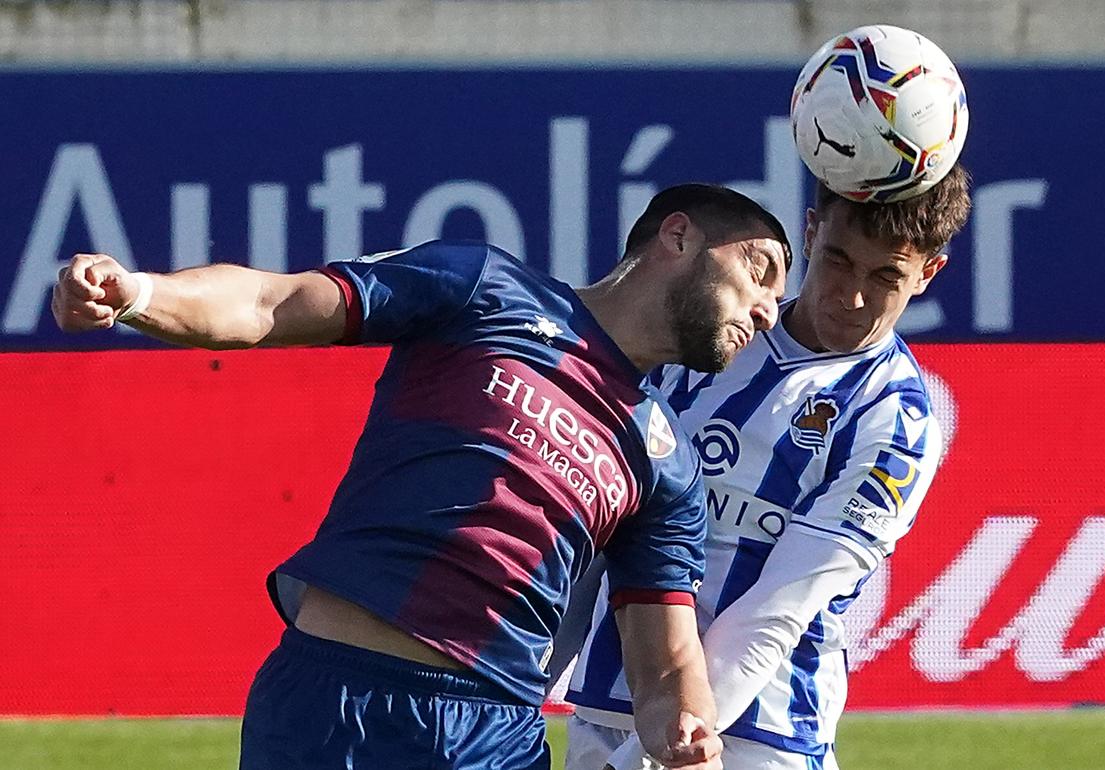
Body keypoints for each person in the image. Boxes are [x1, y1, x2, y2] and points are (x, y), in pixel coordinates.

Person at [51, 183, 790, 770]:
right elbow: (269, 302)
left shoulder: (668, 465)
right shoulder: (486, 287)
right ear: (679, 234)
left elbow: (665, 668)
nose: (767, 311)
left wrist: (686, 728)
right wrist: (138, 294)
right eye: (760, 272)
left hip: (492, 739)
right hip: (333, 698)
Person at [560, 165, 972, 770]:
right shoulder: (700, 338)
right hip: (609, 706)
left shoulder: (896, 421)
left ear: (928, 273)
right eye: (836, 259)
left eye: (886, 275)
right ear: (809, 233)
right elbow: (595, 534)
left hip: (753, 737)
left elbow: (776, 613)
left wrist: (663, 751)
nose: (851, 295)